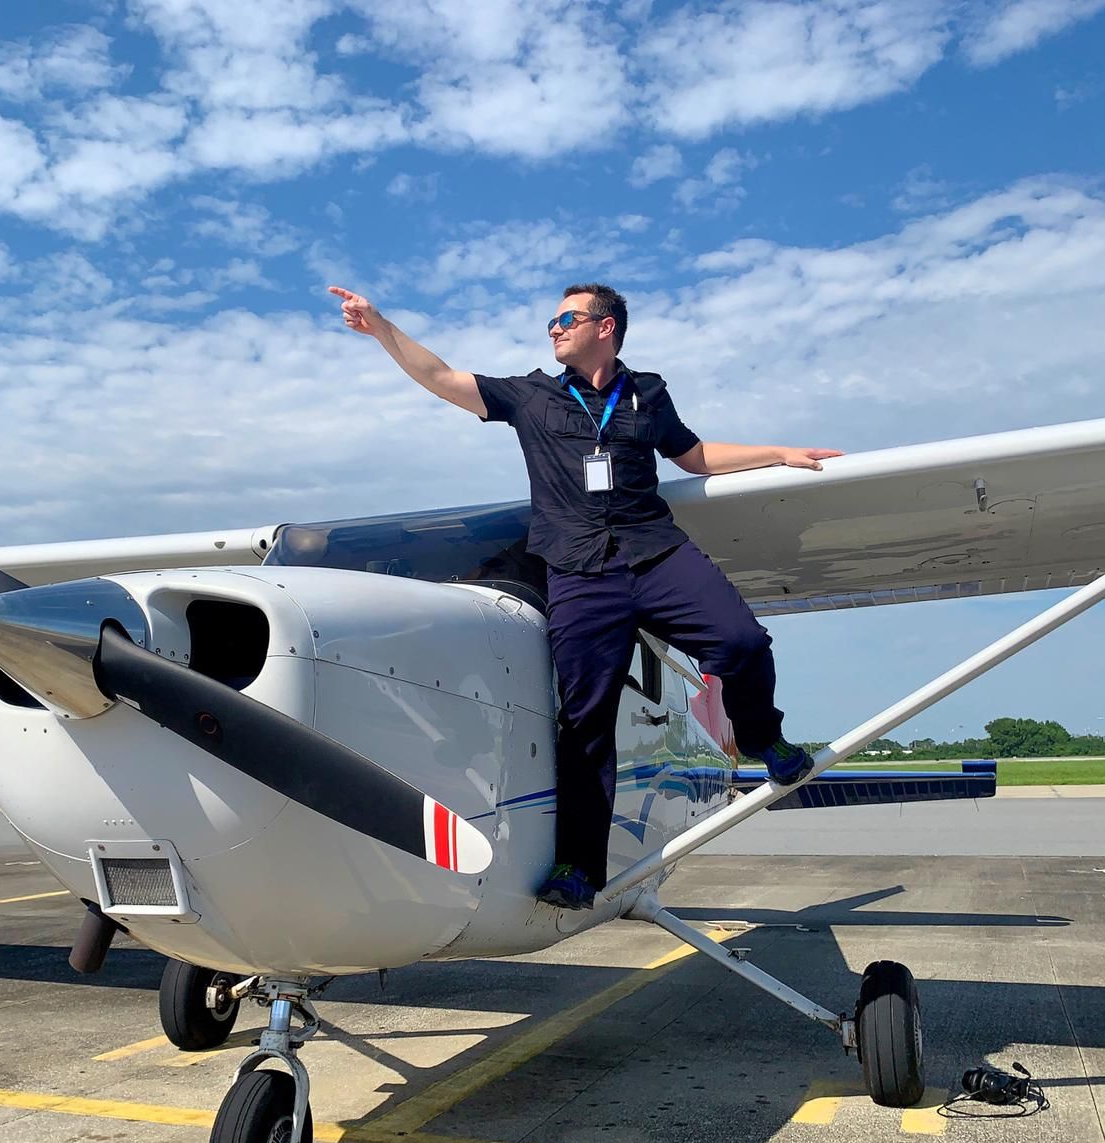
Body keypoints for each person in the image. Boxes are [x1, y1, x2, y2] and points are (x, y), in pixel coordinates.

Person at [328, 282, 840, 910]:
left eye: (567, 318)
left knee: (742, 642)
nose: (554, 328)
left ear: (606, 327)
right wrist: (380, 327)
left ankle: (763, 738)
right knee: (584, 721)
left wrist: (780, 452)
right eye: (552, 320)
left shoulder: (647, 392)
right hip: (577, 571)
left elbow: (696, 455)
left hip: (654, 553)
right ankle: (578, 866)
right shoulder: (531, 395)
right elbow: (440, 377)